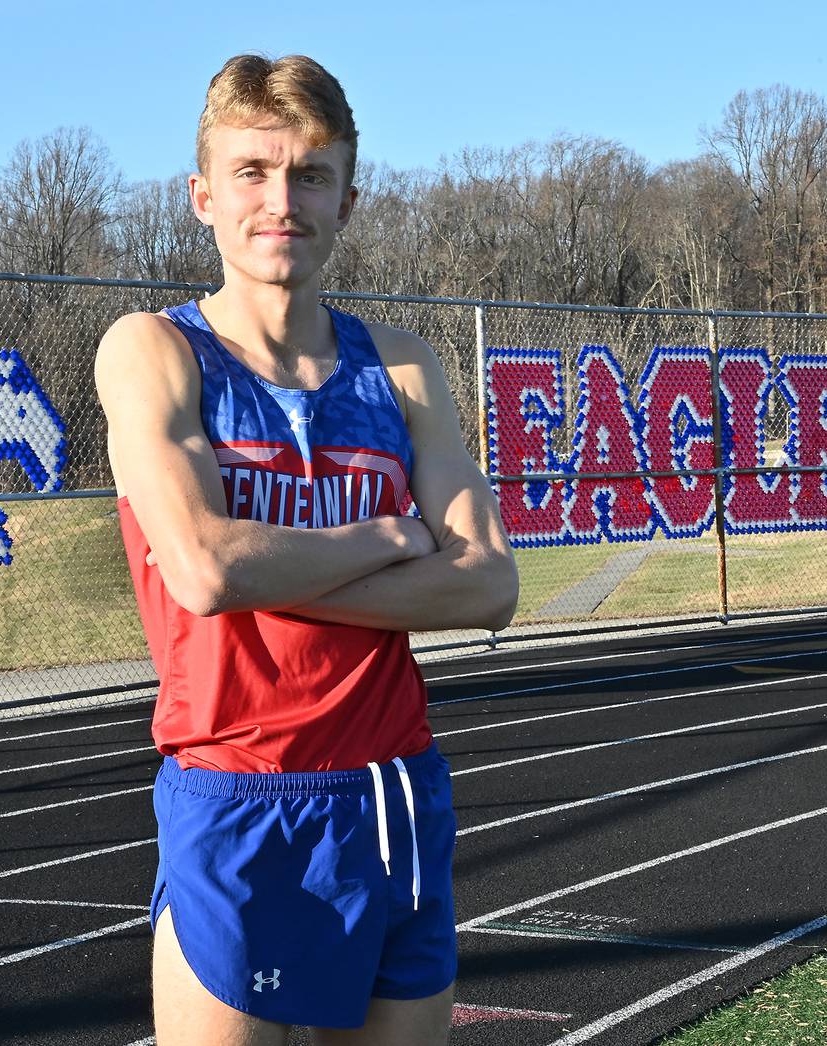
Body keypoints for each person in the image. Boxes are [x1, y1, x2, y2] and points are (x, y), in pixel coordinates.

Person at [95, 53, 518, 1046]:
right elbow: (204, 570)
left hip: (388, 789)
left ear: (347, 200)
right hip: (234, 788)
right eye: (252, 171)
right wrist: (385, 536)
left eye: (309, 174)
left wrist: (267, 569)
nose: (280, 199)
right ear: (203, 195)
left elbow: (491, 584)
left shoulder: (403, 366)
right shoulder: (153, 349)